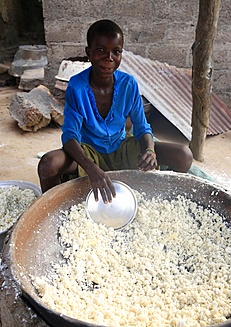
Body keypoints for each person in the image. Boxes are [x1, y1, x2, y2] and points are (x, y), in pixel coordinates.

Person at [38, 19, 193, 203]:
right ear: (89, 52)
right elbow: (70, 135)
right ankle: (56, 210)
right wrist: (91, 168)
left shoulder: (129, 84)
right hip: (90, 151)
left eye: (116, 51)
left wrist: (150, 151)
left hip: (122, 148)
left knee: (184, 155)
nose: (109, 58)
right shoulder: (77, 86)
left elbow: (142, 127)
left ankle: (165, 202)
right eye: (101, 50)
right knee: (48, 164)